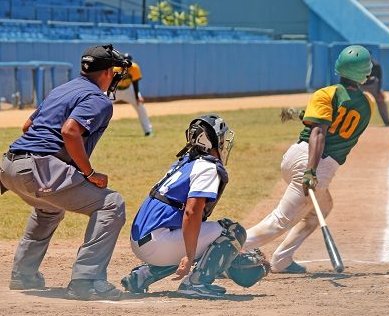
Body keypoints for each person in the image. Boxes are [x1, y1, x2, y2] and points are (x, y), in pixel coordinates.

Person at [0, 44, 130, 300]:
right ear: (105, 73)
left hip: (8, 165)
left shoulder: (63, 89)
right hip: (37, 168)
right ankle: (87, 280)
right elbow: (70, 131)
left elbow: (28, 126)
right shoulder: (97, 99)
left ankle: (23, 275)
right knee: (111, 204)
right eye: (114, 71)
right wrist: (89, 173)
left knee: (49, 208)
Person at [243, 45, 376, 273]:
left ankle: (281, 260)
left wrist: (301, 116)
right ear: (365, 74)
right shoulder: (368, 105)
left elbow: (321, 128)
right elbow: (323, 131)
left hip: (299, 158)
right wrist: (311, 171)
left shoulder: (325, 94)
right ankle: (225, 252)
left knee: (322, 209)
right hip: (316, 164)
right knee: (280, 221)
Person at [120, 114, 269, 298]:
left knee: (195, 236)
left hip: (143, 240)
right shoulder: (207, 167)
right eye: (220, 138)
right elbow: (191, 212)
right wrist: (190, 256)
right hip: (158, 243)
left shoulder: (185, 162)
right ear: (212, 140)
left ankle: (141, 276)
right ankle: (196, 284)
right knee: (232, 231)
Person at [113, 53, 153, 136]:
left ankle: (148, 131)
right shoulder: (116, 68)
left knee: (140, 107)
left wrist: (137, 97)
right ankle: (93, 129)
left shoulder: (134, 67)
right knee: (101, 105)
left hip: (129, 90)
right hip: (116, 90)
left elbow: (135, 83)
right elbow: (110, 83)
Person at [361, 58, 389, 127]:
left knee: (381, 100)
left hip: (373, 84)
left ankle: (387, 122)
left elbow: (379, 78)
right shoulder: (358, 65)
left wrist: (379, 91)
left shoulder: (376, 65)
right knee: (355, 101)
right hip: (360, 85)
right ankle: (355, 123)